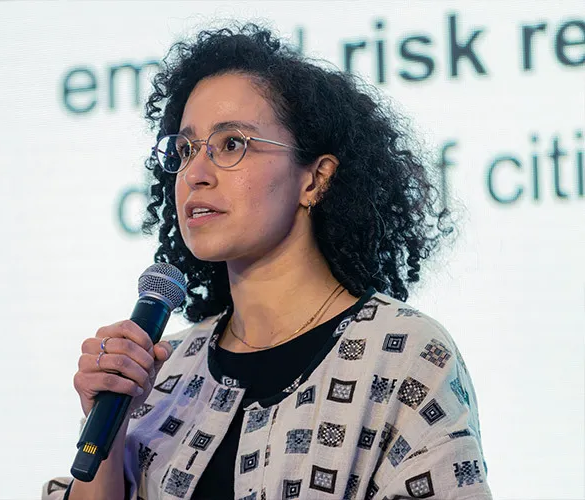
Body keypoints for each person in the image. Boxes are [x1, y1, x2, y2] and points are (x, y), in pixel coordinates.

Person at [44, 24, 491, 500]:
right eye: (185, 150)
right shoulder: (161, 372)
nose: (195, 174)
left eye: (232, 144)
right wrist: (109, 431)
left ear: (314, 179)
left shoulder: (403, 354)